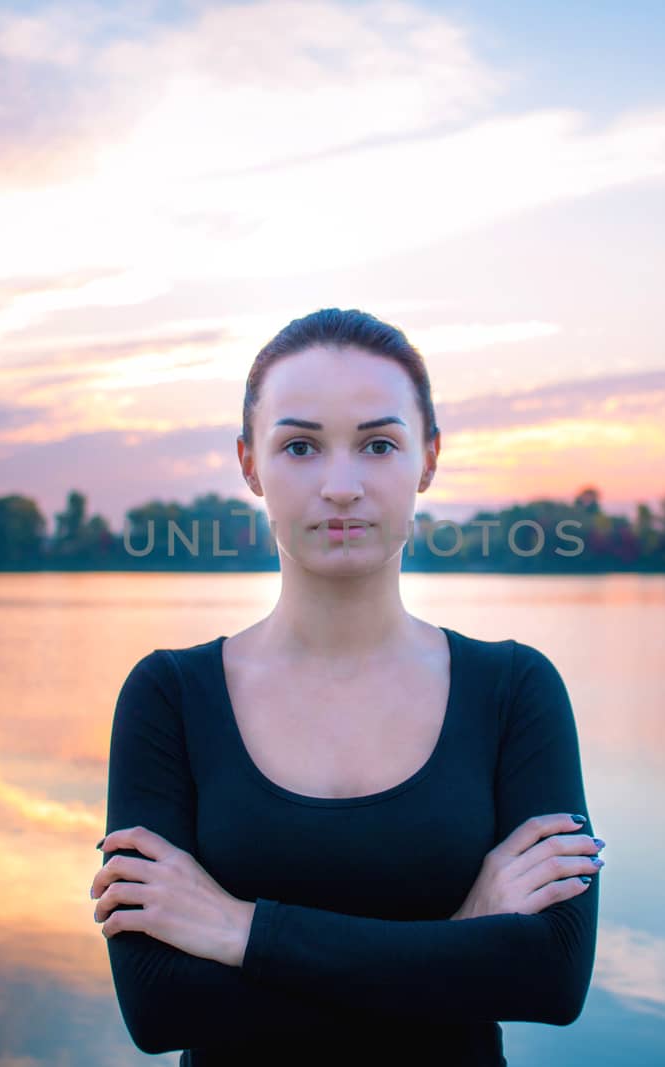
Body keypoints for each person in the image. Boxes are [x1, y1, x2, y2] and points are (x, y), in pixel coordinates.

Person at [91, 308, 603, 1066]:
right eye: (300, 446)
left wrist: (238, 930)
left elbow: (553, 981)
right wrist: (462, 943)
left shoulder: (514, 691)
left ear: (427, 459)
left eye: (378, 444)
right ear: (248, 463)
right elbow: (160, 1004)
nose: (340, 485)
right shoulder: (169, 698)